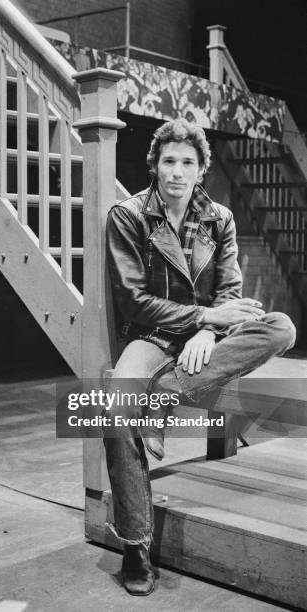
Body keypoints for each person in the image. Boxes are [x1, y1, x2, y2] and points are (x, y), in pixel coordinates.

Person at [104, 118, 296, 596]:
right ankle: (135, 546)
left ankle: (164, 398)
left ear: (200, 169)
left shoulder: (219, 218)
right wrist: (203, 319)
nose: (176, 171)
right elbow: (133, 301)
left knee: (280, 327)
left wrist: (210, 330)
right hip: (148, 339)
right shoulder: (127, 216)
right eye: (168, 161)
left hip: (204, 340)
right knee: (114, 410)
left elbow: (232, 292)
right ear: (155, 165)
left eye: (187, 162)